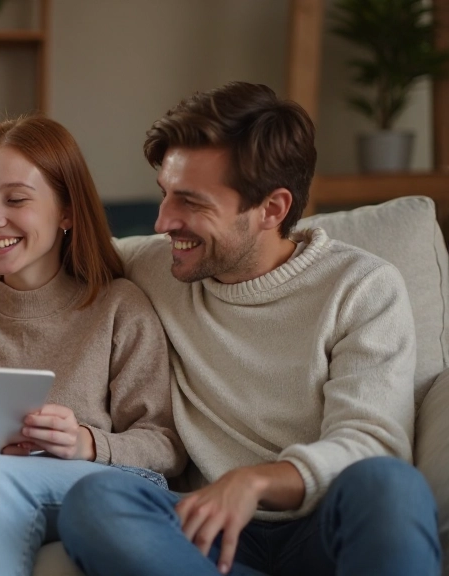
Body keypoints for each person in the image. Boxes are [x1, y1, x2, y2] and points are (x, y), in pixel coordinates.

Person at [58, 82, 442, 576]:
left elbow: (370, 442)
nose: (161, 222)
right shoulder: (157, 265)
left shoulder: (362, 287)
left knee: (390, 484)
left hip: (323, 527)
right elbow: (20, 238)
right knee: (96, 500)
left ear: (272, 209)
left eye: (191, 203)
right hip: (205, 537)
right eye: (164, 195)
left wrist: (255, 482)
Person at [0, 116, 187, 576]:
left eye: (16, 200)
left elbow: (164, 445)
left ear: (66, 211)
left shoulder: (117, 307)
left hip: (94, 493)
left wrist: (86, 443)